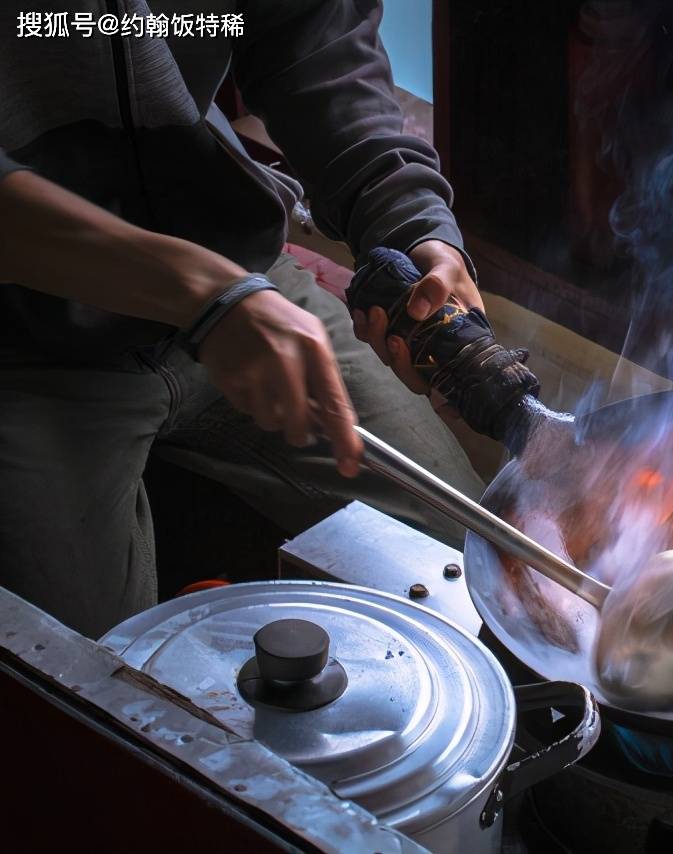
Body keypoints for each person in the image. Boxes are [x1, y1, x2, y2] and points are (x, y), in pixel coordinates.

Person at [0, 1, 487, 638]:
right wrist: (200, 291)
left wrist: (412, 220)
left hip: (237, 272)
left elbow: (313, 36)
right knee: (78, 694)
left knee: (473, 555)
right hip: (26, 335)